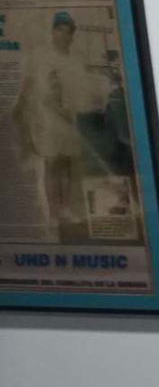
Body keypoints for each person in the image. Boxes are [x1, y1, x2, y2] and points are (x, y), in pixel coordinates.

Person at [12, 12, 103, 237]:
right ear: (53, 31)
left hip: (69, 120)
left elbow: (82, 88)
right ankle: (53, 214)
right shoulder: (40, 55)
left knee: (68, 165)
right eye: (60, 29)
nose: (64, 34)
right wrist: (22, 112)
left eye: (68, 30)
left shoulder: (76, 58)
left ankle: (64, 209)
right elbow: (31, 86)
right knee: (52, 165)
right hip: (47, 119)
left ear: (73, 34)